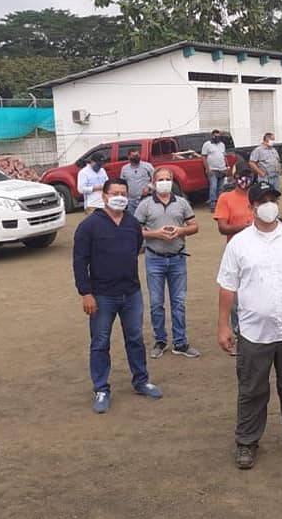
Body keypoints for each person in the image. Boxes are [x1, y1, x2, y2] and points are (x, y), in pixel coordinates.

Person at [216, 181, 282, 470]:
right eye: (262, 201)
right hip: (254, 332)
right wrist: (223, 325)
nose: (269, 205)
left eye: (272, 200)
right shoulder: (239, 243)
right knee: (251, 390)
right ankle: (246, 442)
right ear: (251, 207)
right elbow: (227, 286)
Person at [73, 178, 163, 414]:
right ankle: (101, 388)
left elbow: (136, 248)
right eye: (115, 193)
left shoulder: (131, 223)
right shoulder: (89, 226)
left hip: (131, 293)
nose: (120, 197)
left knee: (135, 338)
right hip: (102, 295)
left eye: (123, 193)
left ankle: (141, 380)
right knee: (100, 342)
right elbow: (80, 261)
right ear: (104, 196)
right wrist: (86, 293)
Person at [135, 167, 200, 359]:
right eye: (161, 179)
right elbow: (134, 230)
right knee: (156, 303)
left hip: (177, 258)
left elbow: (194, 226)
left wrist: (181, 231)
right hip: (154, 258)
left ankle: (180, 342)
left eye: (167, 179)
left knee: (178, 302)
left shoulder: (182, 203)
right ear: (153, 183)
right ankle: (160, 340)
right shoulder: (145, 205)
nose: (164, 182)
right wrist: (156, 234)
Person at [213, 162, 257, 354]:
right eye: (241, 175)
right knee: (236, 298)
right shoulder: (226, 198)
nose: (244, 179)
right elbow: (222, 228)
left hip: (259, 252)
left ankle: (255, 334)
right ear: (234, 176)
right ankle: (239, 336)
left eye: (248, 175)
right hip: (237, 253)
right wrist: (245, 228)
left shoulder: (258, 196)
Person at [201, 129, 229, 213]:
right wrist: (207, 169)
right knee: (213, 187)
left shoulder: (222, 145)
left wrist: (227, 167)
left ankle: (220, 205)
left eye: (219, 136)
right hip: (212, 170)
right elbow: (203, 157)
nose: (218, 137)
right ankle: (213, 206)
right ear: (212, 136)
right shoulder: (207, 144)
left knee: (221, 189)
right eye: (216, 136)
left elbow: (224, 156)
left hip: (222, 169)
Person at [120, 148, 154, 216]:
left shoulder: (148, 166)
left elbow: (155, 179)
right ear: (129, 157)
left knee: (145, 218)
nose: (136, 157)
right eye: (134, 156)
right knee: (131, 219)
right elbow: (122, 183)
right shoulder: (124, 169)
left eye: (137, 155)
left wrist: (149, 187)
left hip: (145, 199)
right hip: (131, 201)